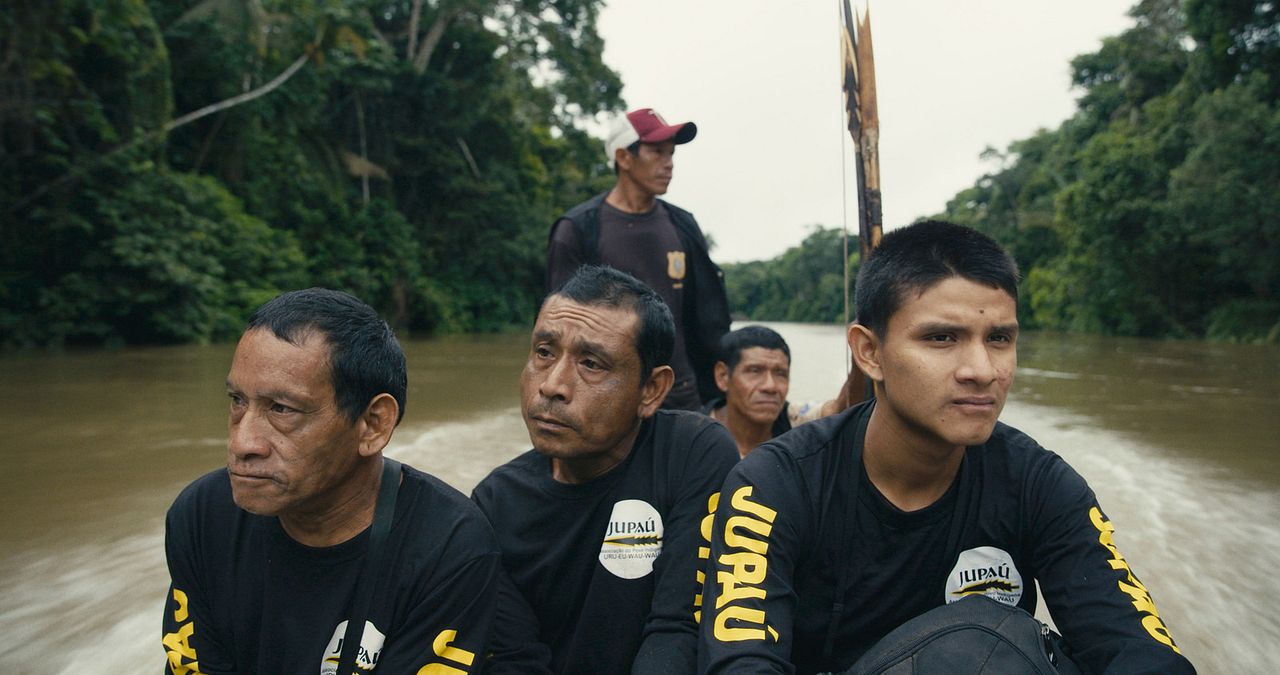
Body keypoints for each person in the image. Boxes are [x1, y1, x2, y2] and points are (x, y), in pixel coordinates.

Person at [698, 222, 1195, 674]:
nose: (982, 370)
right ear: (869, 352)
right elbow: (741, 662)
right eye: (941, 338)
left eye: (999, 338)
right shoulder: (772, 485)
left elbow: (1133, 644)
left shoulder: (1039, 484)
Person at [161, 288, 499, 674]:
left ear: (373, 424)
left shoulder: (450, 551)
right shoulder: (204, 516)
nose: (242, 443)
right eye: (238, 401)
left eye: (282, 409)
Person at [472, 265, 739, 673]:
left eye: (592, 364)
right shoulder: (494, 504)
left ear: (651, 391)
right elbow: (515, 659)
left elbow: (679, 625)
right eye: (544, 353)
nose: (552, 386)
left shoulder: (692, 452)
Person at [546, 107, 730, 411]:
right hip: (606, 401)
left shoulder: (683, 225)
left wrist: (718, 397)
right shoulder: (580, 229)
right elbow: (559, 328)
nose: (668, 164)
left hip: (681, 395)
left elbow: (709, 317)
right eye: (657, 152)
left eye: (671, 154)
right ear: (623, 158)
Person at [703, 325, 866, 457]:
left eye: (780, 373)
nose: (770, 386)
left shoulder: (793, 418)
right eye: (754, 371)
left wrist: (860, 361)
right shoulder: (695, 435)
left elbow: (841, 410)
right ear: (723, 376)